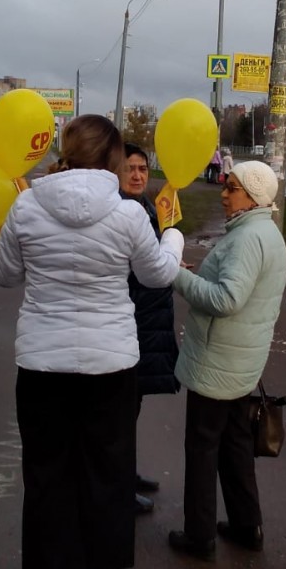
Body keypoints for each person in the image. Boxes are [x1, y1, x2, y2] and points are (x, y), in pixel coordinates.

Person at [0, 115, 184, 569]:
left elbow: (4, 275)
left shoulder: (26, 206)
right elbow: (157, 275)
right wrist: (173, 238)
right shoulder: (127, 213)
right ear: (113, 158)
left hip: (41, 364)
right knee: (105, 471)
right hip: (109, 365)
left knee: (45, 472)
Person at [167, 160, 286, 559]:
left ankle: (199, 536)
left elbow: (226, 299)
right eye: (225, 185)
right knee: (236, 444)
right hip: (241, 361)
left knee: (203, 448)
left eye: (231, 188)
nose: (223, 194)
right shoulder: (266, 232)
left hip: (217, 363)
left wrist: (177, 276)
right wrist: (197, 276)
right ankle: (246, 525)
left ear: (253, 196)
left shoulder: (246, 238)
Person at [119, 143, 180, 516]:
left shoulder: (146, 208)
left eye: (142, 168)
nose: (138, 175)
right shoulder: (120, 213)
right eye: (130, 168)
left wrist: (168, 261)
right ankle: (118, 485)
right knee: (121, 412)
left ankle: (127, 473)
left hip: (145, 323)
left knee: (133, 405)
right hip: (131, 322)